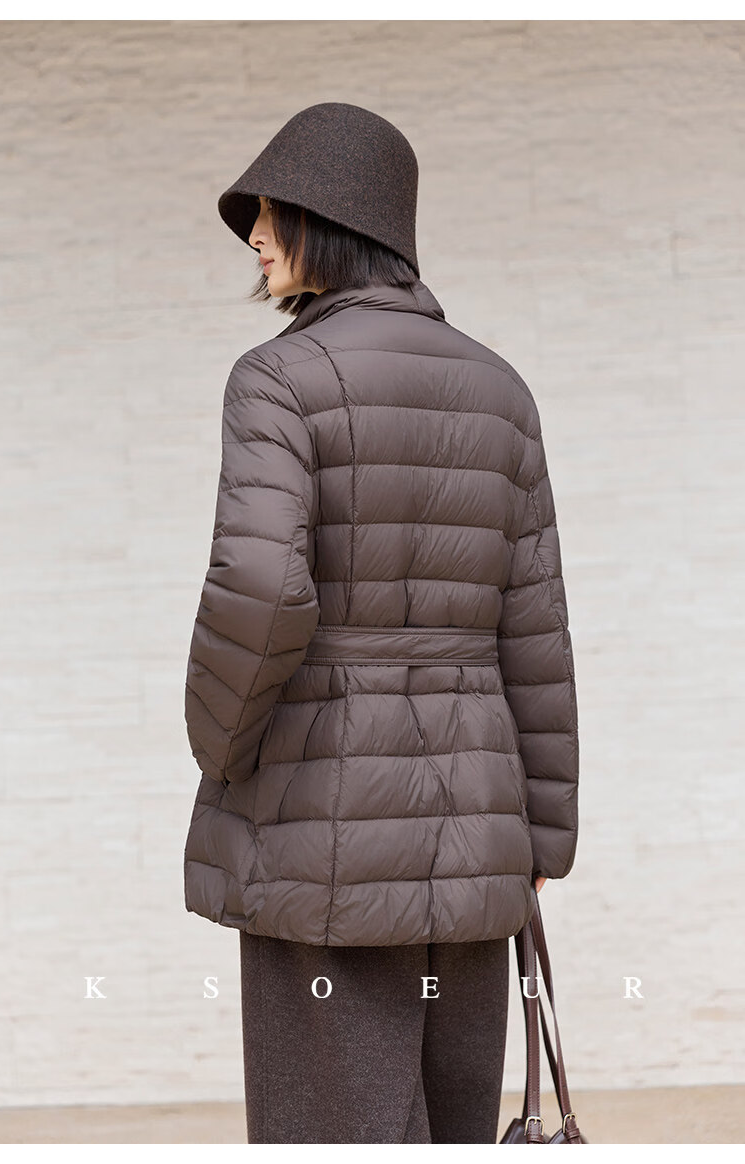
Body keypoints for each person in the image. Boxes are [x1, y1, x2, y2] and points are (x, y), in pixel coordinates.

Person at [182, 102, 579, 1144]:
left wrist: (220, 749)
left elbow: (261, 588)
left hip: (319, 822)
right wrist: (544, 830)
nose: (254, 236)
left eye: (270, 212)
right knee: (449, 1128)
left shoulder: (278, 378)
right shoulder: (501, 388)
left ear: (334, 217)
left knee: (332, 1130)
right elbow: (534, 629)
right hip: (476, 834)